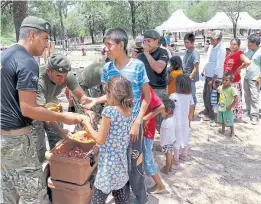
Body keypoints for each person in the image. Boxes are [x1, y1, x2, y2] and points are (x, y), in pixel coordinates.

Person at [1, 16, 82, 204]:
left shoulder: (5, 56)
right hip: (18, 139)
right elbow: (28, 108)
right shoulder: (28, 61)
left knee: (10, 190)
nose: (47, 45)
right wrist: (65, 117)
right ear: (32, 35)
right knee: (35, 196)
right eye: (45, 38)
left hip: (3, 138)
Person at [82, 28, 151, 204]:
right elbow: (111, 95)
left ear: (121, 45)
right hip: (115, 128)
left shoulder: (138, 66)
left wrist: (137, 122)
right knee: (118, 165)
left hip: (133, 125)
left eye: (109, 45)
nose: (106, 49)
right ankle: (122, 196)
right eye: (105, 45)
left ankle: (141, 199)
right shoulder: (107, 68)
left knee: (135, 168)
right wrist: (95, 101)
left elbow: (147, 97)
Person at [83, 76, 133, 204]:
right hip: (120, 164)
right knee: (122, 197)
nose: (106, 96)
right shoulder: (128, 110)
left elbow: (100, 140)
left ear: (112, 94)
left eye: (106, 93)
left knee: (97, 200)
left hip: (108, 166)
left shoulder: (109, 111)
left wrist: (86, 123)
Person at [35, 53, 91, 162]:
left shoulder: (66, 75)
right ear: (48, 71)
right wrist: (60, 129)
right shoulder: (38, 80)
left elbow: (82, 96)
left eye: (65, 75)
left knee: (58, 143)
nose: (62, 80)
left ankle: (57, 167)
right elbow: (41, 113)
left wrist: (88, 110)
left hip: (50, 104)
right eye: (58, 76)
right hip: (33, 110)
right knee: (38, 149)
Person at [133, 29, 169, 130]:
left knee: (161, 121)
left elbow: (158, 69)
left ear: (156, 41)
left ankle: (166, 144)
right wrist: (134, 58)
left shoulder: (162, 52)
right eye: (144, 41)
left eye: (149, 41)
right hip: (144, 90)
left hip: (158, 90)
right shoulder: (141, 54)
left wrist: (147, 54)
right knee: (145, 120)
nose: (146, 43)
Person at [142, 87, 166, 194]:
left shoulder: (146, 89)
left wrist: (145, 118)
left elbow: (161, 107)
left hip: (147, 131)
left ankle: (160, 185)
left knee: (147, 160)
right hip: (139, 131)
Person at [201, 30, 226, 125]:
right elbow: (208, 60)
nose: (211, 40)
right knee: (205, 95)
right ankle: (207, 112)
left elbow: (219, 66)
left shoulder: (221, 49)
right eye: (210, 38)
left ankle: (213, 117)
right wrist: (203, 70)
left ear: (218, 39)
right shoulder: (211, 47)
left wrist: (213, 80)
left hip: (215, 78)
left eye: (213, 39)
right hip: (208, 75)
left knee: (212, 98)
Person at [223, 38, 251, 121]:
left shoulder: (239, 54)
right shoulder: (228, 54)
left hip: (235, 82)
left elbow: (248, 62)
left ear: (238, 46)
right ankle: (229, 115)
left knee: (235, 100)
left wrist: (240, 68)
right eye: (231, 44)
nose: (233, 46)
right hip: (226, 81)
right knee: (227, 99)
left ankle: (235, 117)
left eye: (235, 44)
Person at [169, 74, 194, 166]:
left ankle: (175, 158)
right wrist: (189, 122)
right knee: (185, 137)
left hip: (176, 121)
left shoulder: (173, 96)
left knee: (176, 138)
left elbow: (170, 110)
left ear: (176, 85)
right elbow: (191, 111)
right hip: (186, 121)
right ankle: (184, 155)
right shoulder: (190, 96)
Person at [243, 34, 261, 125]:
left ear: (255, 43)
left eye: (250, 42)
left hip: (256, 78)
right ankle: (248, 110)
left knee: (254, 97)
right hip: (247, 76)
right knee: (247, 95)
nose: (248, 43)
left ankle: (254, 115)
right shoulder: (248, 51)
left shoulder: (260, 52)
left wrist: (259, 77)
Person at [183, 33, 200, 119]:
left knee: (192, 96)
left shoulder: (194, 53)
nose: (186, 44)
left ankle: (192, 114)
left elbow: (195, 68)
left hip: (191, 79)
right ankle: (188, 113)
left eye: (187, 42)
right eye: (185, 42)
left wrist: (190, 78)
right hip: (185, 78)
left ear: (193, 42)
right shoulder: (186, 52)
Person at [217, 72, 239, 137]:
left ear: (231, 81)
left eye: (226, 80)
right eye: (223, 80)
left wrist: (231, 106)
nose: (224, 81)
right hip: (221, 107)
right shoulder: (221, 87)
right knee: (223, 120)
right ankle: (223, 130)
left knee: (229, 120)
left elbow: (236, 98)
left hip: (228, 109)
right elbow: (217, 89)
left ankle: (232, 132)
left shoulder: (232, 89)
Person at [160, 99, 176, 175]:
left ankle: (166, 170)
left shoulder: (166, 122)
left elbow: (164, 134)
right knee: (170, 154)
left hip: (167, 141)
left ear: (168, 110)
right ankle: (170, 168)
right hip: (172, 140)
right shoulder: (173, 119)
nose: (160, 111)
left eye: (162, 110)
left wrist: (161, 144)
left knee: (168, 155)